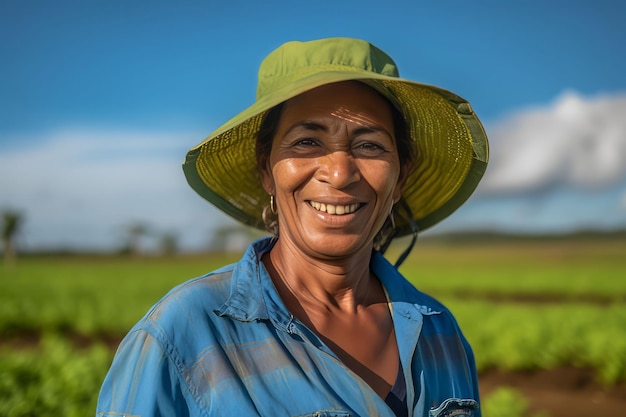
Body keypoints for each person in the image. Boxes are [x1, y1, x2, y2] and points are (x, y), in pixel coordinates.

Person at [96, 37, 489, 417]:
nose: (339, 173)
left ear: (400, 177)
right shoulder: (183, 335)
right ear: (266, 170)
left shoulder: (440, 332)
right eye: (306, 142)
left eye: (370, 145)